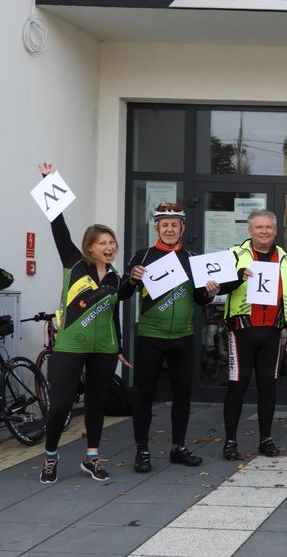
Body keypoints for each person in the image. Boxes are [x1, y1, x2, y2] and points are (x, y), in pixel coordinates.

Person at [36, 162, 129, 484]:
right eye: (103, 243)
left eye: (112, 243)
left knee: (96, 403)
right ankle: (50, 456)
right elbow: (57, 224)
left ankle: (92, 457)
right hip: (71, 345)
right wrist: (48, 180)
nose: (109, 247)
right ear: (90, 246)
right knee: (61, 404)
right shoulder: (74, 263)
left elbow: (113, 313)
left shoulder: (115, 277)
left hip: (104, 347)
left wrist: (118, 345)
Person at [118, 202, 218, 472]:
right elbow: (122, 294)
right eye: (165, 225)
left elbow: (199, 298)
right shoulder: (142, 256)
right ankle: (142, 451)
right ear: (157, 228)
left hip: (183, 336)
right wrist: (132, 279)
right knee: (144, 394)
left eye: (175, 225)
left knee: (183, 394)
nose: (170, 229)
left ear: (182, 228)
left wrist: (209, 293)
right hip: (150, 335)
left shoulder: (193, 258)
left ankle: (178, 447)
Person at [218, 210, 287, 460]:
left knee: (268, 387)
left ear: (275, 231)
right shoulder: (235, 254)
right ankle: (230, 441)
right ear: (250, 230)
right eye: (259, 227)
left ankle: (266, 439)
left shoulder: (285, 258)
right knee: (237, 386)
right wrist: (237, 277)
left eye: (268, 227)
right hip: (242, 329)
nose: (264, 231)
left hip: (272, 331)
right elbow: (218, 288)